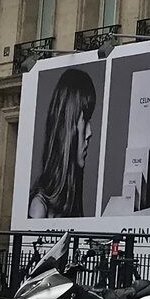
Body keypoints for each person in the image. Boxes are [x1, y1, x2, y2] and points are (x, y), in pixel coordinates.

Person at [29, 68, 97, 219]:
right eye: (85, 119)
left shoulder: (69, 201)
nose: (89, 133)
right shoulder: (39, 208)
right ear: (68, 126)